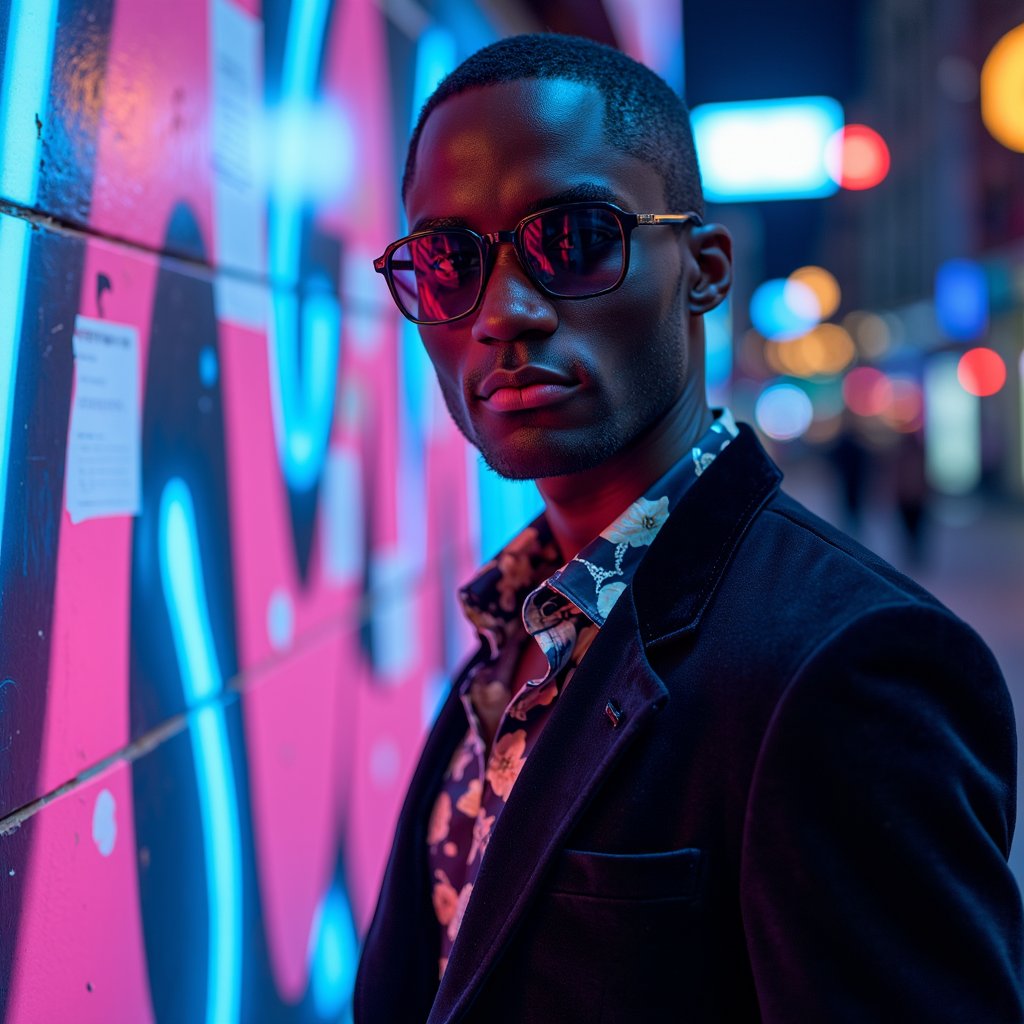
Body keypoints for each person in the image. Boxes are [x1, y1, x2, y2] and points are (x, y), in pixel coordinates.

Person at [354, 33, 1023, 1023]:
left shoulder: (850, 665)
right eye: (449, 262)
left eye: (571, 238)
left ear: (703, 268)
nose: (500, 315)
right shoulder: (519, 632)